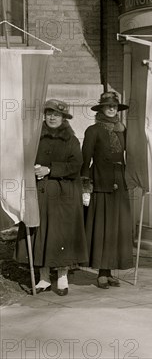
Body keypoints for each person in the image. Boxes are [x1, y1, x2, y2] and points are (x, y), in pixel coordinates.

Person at [15, 99, 88, 296]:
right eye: (49, 113)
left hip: (64, 196)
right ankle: (44, 278)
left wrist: (50, 169)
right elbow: (23, 159)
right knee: (41, 234)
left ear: (64, 118)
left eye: (57, 114)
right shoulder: (35, 139)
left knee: (60, 235)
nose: (52, 117)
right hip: (38, 194)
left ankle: (62, 277)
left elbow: (76, 166)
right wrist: (31, 168)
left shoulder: (71, 141)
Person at [82, 91, 133, 289]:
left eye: (114, 106)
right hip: (100, 182)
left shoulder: (123, 130)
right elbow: (85, 159)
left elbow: (133, 152)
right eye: (108, 106)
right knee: (102, 227)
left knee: (116, 228)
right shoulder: (93, 130)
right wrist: (85, 185)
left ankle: (111, 270)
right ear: (101, 108)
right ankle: (102, 272)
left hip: (119, 182)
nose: (111, 109)